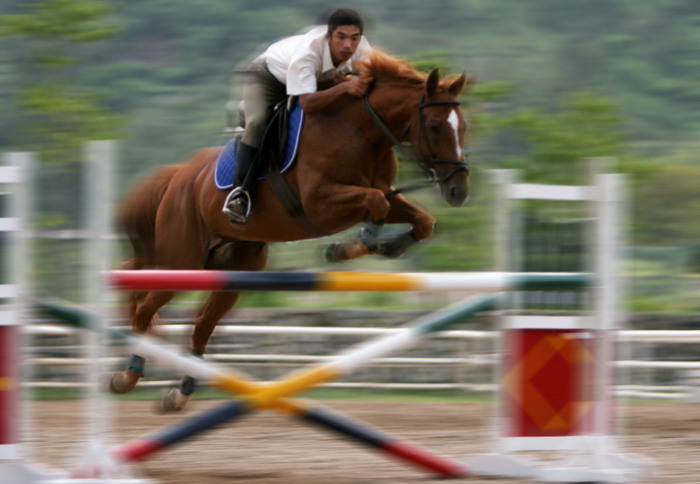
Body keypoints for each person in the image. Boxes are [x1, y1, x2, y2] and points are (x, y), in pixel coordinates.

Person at [223, 8, 372, 225]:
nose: (348, 45)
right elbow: (308, 103)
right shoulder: (308, 54)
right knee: (257, 123)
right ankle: (240, 193)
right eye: (341, 37)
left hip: (313, 79)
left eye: (354, 38)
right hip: (267, 79)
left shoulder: (363, 49)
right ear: (328, 36)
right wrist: (345, 88)